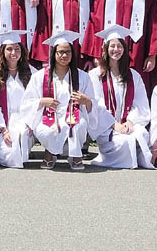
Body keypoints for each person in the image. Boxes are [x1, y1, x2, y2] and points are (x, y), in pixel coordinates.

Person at [22, 31, 100, 170]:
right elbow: (27, 101)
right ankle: (49, 152)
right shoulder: (39, 76)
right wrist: (41, 102)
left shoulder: (82, 76)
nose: (64, 55)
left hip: (73, 114)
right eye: (60, 52)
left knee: (78, 125)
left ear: (72, 54)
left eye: (68, 52)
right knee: (46, 130)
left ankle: (76, 155)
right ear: (54, 53)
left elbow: (92, 101)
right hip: (47, 115)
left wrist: (86, 101)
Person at [88, 25, 154, 169]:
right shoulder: (95, 75)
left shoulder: (133, 75)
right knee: (124, 141)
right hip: (106, 126)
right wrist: (114, 125)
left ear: (124, 49)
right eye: (112, 46)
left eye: (119, 46)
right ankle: (127, 159)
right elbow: (97, 105)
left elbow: (140, 103)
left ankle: (134, 158)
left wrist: (130, 121)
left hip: (128, 124)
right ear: (105, 49)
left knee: (141, 133)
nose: (116, 50)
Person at [0, 31, 37, 168]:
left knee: (21, 139)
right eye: (9, 49)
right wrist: (3, 130)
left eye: (17, 49)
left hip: (25, 123)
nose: (13, 53)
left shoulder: (32, 72)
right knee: (11, 155)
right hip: (1, 125)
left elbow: (36, 101)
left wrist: (31, 123)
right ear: (2, 51)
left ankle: (21, 148)